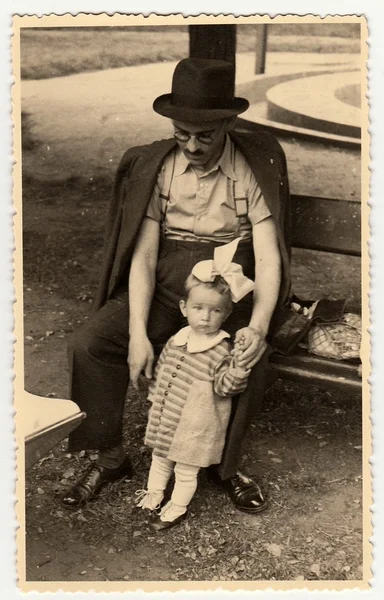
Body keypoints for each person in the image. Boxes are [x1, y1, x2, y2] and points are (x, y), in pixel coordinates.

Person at [62, 57, 291, 513]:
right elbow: (144, 256)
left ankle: (224, 468)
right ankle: (110, 458)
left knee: (247, 357)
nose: (191, 145)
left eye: (205, 135)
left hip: (230, 286)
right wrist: (136, 335)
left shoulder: (250, 167)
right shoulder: (160, 166)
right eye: (180, 133)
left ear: (229, 121)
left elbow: (266, 256)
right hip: (169, 282)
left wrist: (259, 327)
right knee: (89, 344)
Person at [136, 239, 254, 531]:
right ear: (184, 307)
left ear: (226, 314)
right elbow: (162, 373)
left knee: (186, 471)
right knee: (160, 459)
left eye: (215, 311)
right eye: (198, 308)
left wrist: (239, 365)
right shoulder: (178, 340)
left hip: (195, 426)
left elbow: (227, 388)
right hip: (167, 419)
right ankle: (154, 494)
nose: (205, 316)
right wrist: (154, 398)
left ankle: (177, 507)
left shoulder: (221, 348)